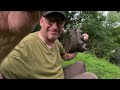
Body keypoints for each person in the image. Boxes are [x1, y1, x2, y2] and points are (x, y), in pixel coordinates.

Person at [0, 11, 98, 79]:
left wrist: (78, 45)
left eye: (59, 22)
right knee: (90, 77)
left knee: (80, 65)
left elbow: (66, 56)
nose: (55, 27)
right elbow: (3, 72)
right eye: (50, 20)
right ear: (41, 21)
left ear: (63, 25)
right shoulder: (26, 44)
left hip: (59, 75)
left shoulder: (56, 42)